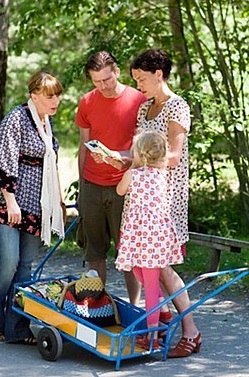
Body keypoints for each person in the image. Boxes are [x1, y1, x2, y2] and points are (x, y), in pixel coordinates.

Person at [0, 70, 66, 344]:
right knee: (8, 262)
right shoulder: (16, 119)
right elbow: (3, 161)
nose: (55, 101)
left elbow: (51, 166)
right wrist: (10, 201)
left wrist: (60, 203)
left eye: (58, 96)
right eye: (49, 96)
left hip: (35, 205)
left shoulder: (47, 124)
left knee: (26, 267)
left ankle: (16, 327)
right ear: (34, 96)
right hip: (5, 200)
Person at [130, 48, 201, 357]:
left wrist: (137, 162)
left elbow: (172, 156)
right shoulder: (144, 109)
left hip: (165, 198)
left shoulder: (177, 107)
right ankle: (162, 319)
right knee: (141, 265)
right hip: (142, 198)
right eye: (134, 80)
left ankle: (191, 333)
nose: (138, 86)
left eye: (142, 79)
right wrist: (118, 157)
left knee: (161, 267)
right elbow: (138, 152)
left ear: (158, 74)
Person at [75, 51, 146, 306]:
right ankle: (96, 309)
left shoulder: (138, 100)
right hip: (93, 186)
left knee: (128, 254)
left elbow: (144, 149)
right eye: (96, 82)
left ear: (116, 72)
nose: (103, 86)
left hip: (125, 186)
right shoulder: (86, 102)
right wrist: (82, 188)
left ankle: (135, 307)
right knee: (94, 253)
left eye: (107, 79)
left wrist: (119, 156)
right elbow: (83, 146)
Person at [114, 130, 183, 350]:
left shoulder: (134, 175)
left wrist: (132, 167)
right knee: (137, 271)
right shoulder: (161, 175)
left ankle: (152, 334)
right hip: (149, 237)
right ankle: (163, 311)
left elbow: (119, 191)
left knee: (150, 286)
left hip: (147, 238)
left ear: (140, 153)